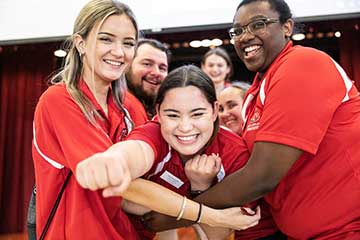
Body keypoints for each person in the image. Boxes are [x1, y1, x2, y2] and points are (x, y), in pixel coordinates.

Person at [140, 0, 360, 239]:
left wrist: (177, 214)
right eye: (238, 31)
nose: (245, 37)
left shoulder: (302, 64)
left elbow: (262, 175)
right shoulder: (257, 89)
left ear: (287, 27)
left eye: (258, 24)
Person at [75, 65, 283, 240]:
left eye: (197, 114)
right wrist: (113, 160)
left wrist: (199, 189)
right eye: (173, 115)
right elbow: (133, 156)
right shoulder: (153, 133)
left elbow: (218, 235)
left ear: (213, 110)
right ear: (158, 114)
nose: (185, 127)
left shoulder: (234, 152)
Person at [124, 38, 170, 121]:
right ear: (127, 66)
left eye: (162, 68)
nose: (156, 72)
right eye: (147, 64)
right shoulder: (118, 105)